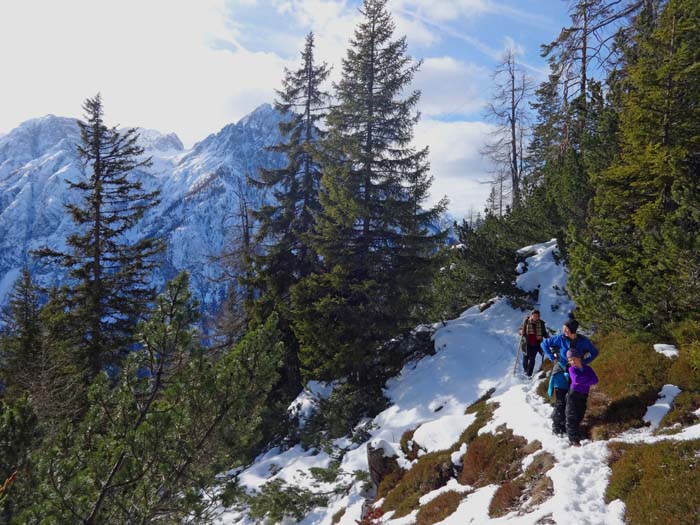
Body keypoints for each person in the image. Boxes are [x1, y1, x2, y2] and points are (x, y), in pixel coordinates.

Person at [540, 319, 598, 437]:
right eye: (563, 329)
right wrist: (552, 358)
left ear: (573, 330)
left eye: (566, 329)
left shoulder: (583, 341)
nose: (564, 331)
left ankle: (571, 426)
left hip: (577, 373)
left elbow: (594, 352)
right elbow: (544, 344)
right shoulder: (560, 338)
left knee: (573, 401)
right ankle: (557, 426)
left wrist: (584, 362)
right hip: (562, 371)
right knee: (561, 400)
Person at [565, 348, 598, 446]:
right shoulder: (571, 369)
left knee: (580, 415)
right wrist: (587, 380)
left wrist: (583, 381)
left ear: (579, 358)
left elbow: (595, 380)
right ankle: (573, 440)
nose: (572, 362)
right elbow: (576, 380)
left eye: (574, 359)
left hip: (583, 395)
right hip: (573, 394)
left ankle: (577, 434)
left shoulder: (588, 368)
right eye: (570, 360)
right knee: (571, 416)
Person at [518, 310, 547, 378]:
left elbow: (544, 332)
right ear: (531, 315)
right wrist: (521, 332)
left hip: (536, 343)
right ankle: (525, 369)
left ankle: (529, 374)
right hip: (527, 343)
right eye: (534, 316)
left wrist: (548, 337)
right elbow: (520, 329)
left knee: (532, 358)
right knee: (526, 357)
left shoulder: (541, 323)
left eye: (537, 316)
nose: (536, 317)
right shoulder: (526, 321)